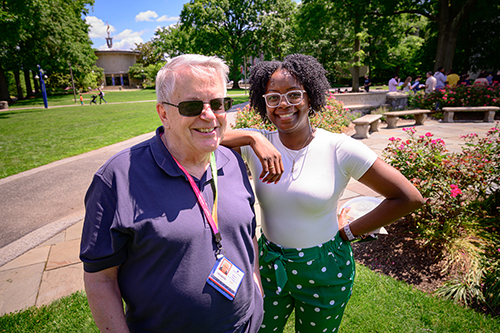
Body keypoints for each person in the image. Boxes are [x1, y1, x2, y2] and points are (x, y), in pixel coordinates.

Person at [221, 54, 424, 333]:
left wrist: (350, 231)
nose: (284, 105)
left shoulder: (339, 148)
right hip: (270, 264)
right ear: (263, 102)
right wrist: (253, 137)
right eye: (273, 98)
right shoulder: (258, 145)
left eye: (294, 95)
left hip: (325, 269)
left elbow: (408, 197)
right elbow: (207, 135)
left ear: (310, 97)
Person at [80, 54, 264, 333]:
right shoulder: (116, 178)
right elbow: (100, 279)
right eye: (192, 106)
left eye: (218, 103)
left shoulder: (232, 161)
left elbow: (246, 236)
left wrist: (256, 290)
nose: (209, 115)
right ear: (163, 112)